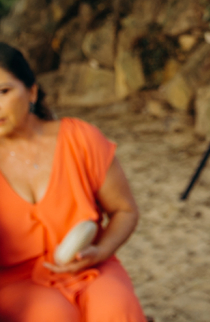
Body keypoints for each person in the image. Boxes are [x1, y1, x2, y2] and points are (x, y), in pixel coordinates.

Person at [0, 43, 145, 322]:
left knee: (116, 309)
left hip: (91, 266)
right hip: (16, 282)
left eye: (2, 92)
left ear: (31, 91)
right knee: (52, 316)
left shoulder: (80, 139)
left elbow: (124, 210)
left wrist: (101, 251)